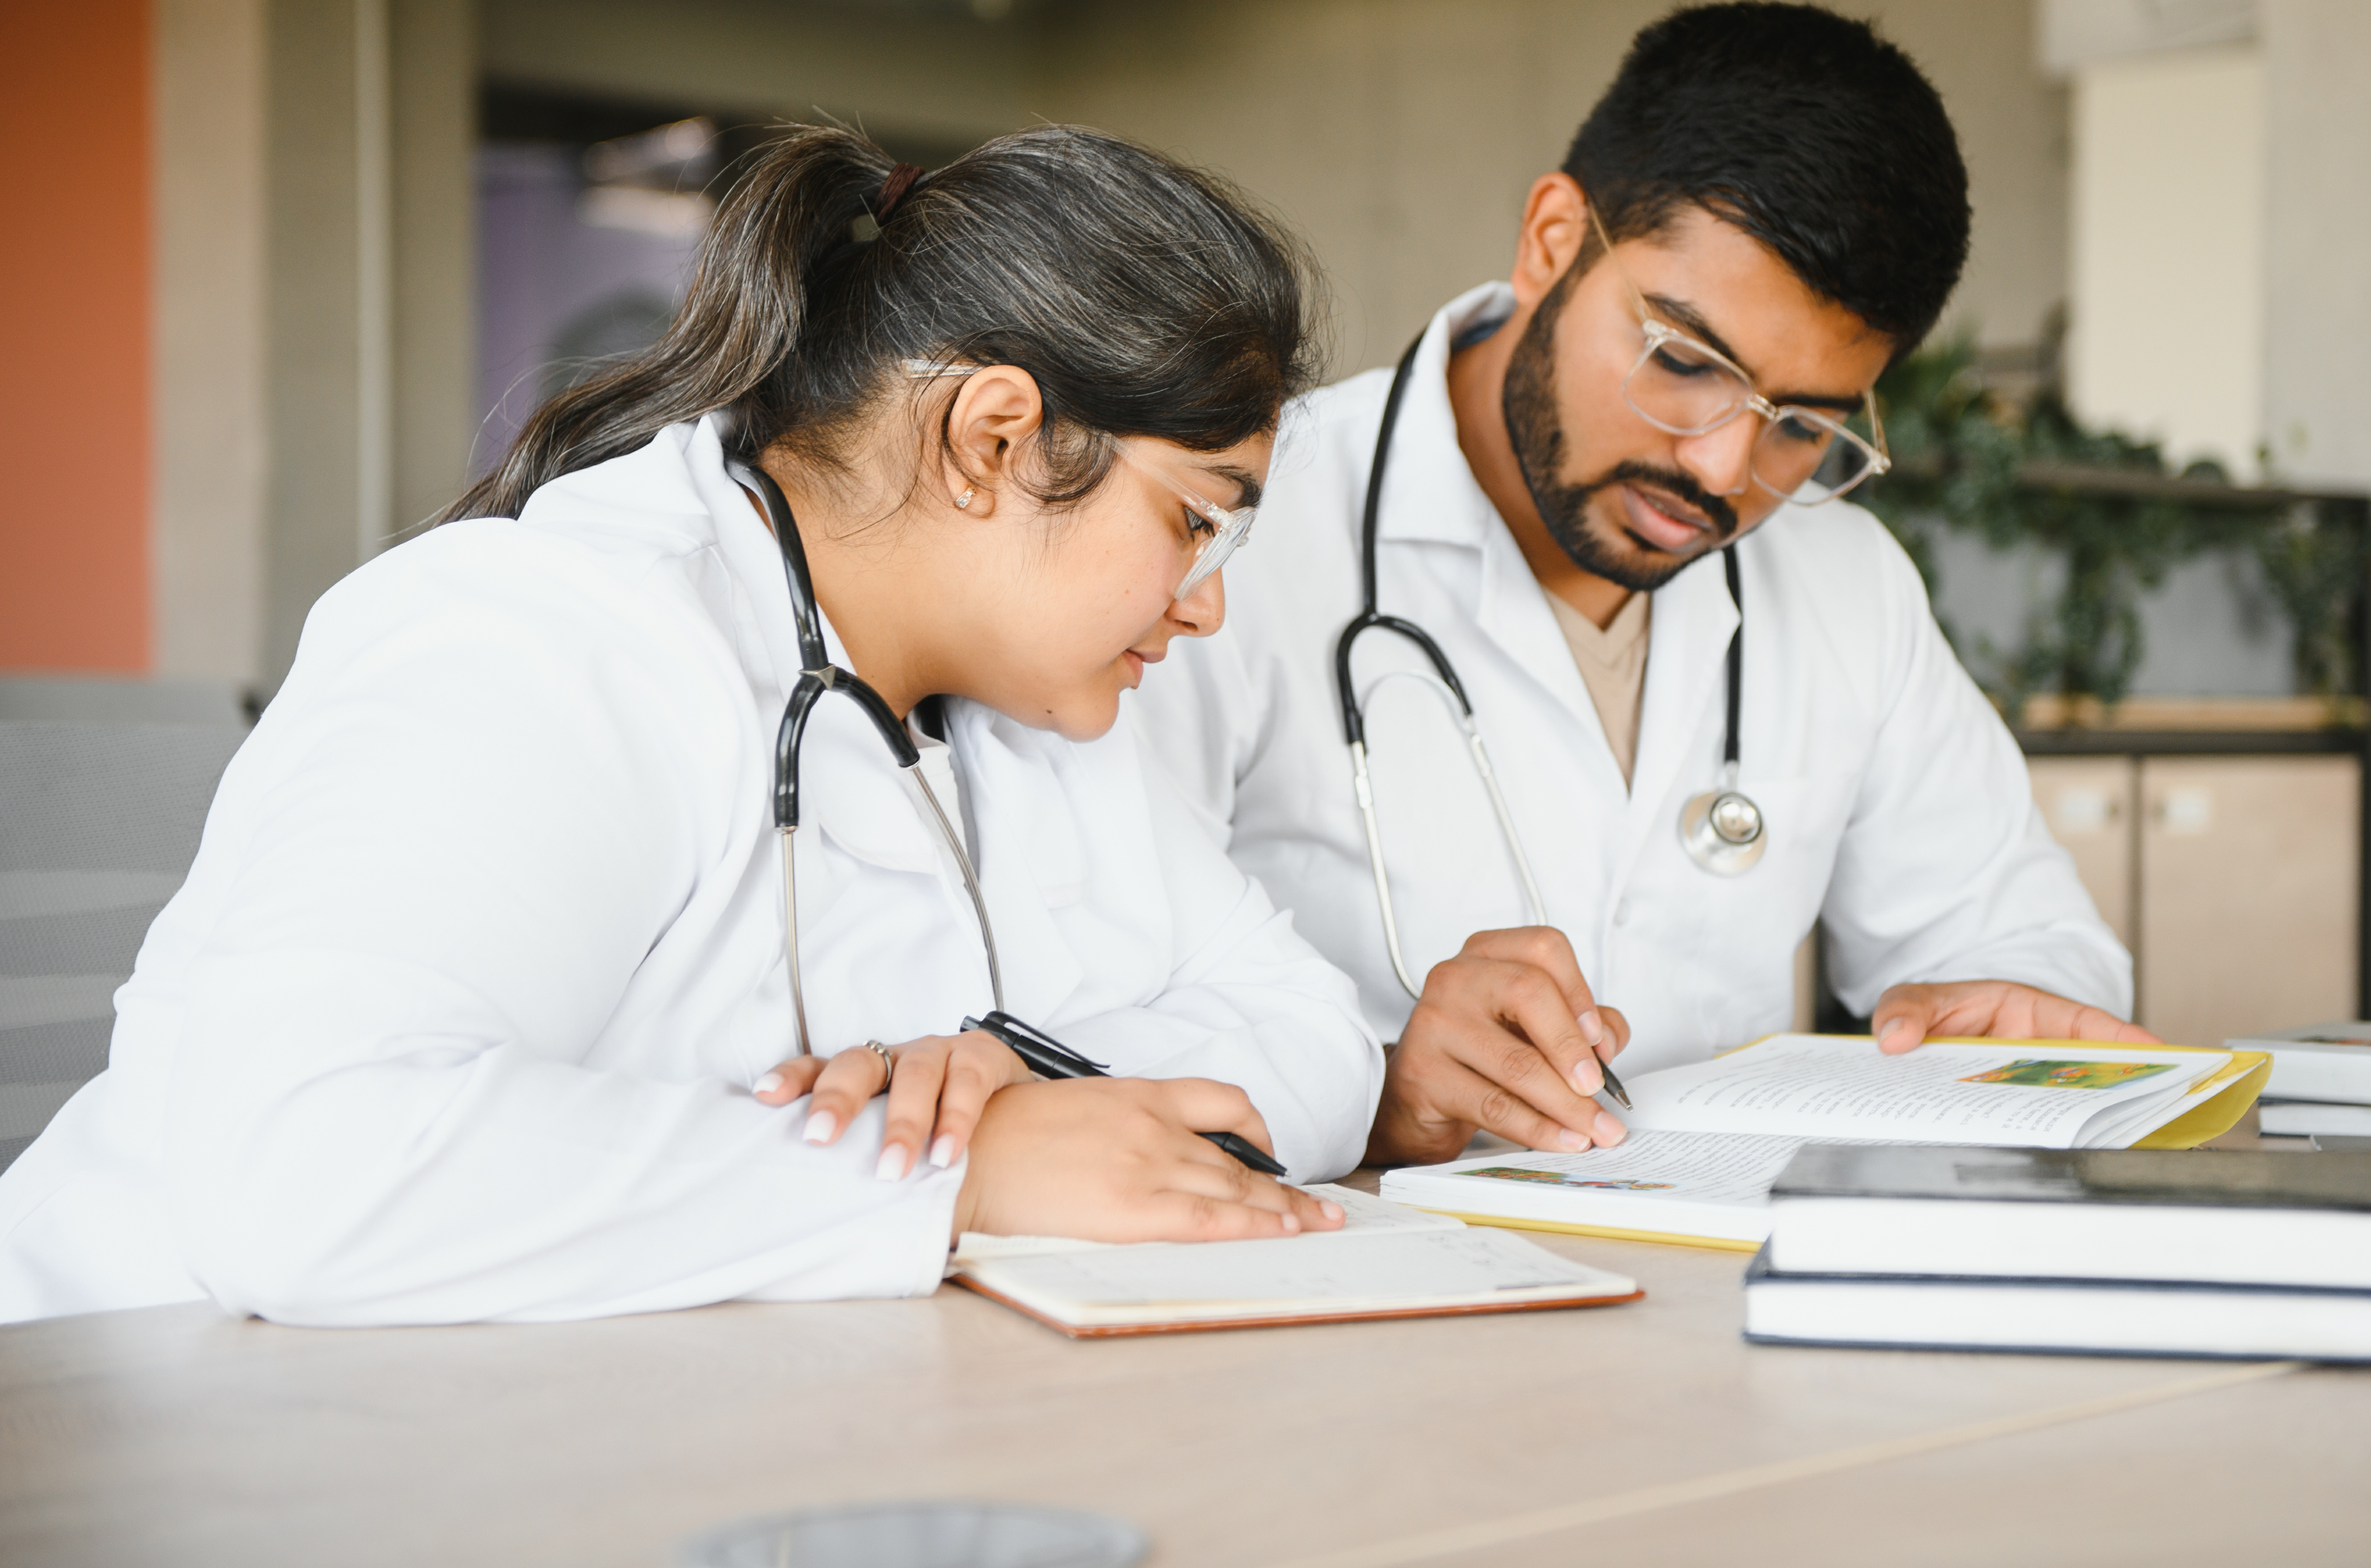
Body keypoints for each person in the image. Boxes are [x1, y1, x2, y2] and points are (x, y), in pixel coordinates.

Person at [0, 124, 1381, 1326]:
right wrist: (956, 1172)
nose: (1204, 608)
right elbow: (308, 1171)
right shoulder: (541, 634)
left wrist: (1020, 1080)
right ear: (992, 438)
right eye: (1195, 522)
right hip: (142, 1420)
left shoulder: (1032, 717)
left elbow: (1317, 1043)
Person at [1130, 1, 2153, 1168]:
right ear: (1553, 238)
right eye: (1683, 360)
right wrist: (1374, 1097)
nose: (1724, 468)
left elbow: (2028, 941)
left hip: (1715, 1301)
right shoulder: (1240, 529)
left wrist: (2011, 1013)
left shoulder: (1845, 586)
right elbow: (1075, 1007)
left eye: (1804, 424)